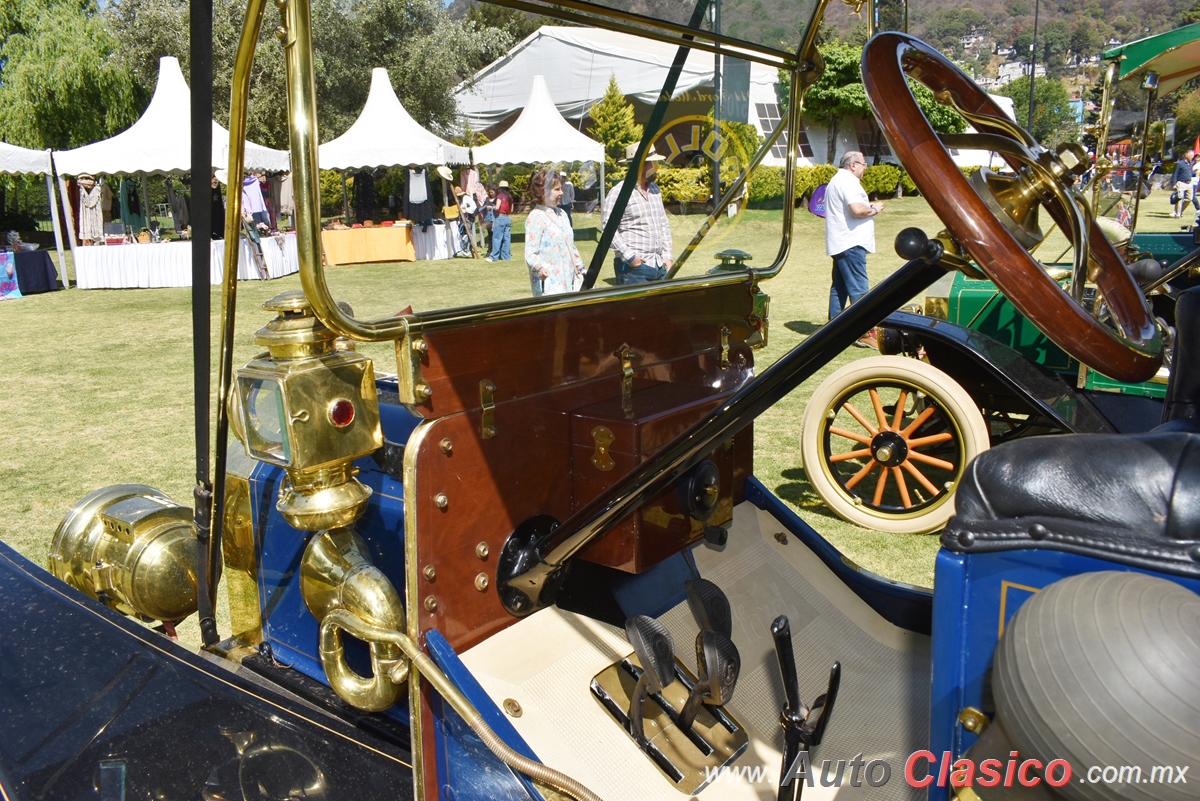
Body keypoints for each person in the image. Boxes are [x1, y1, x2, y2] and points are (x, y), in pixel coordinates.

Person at [825, 151, 883, 345]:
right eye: (864, 164)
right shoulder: (849, 182)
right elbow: (857, 210)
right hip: (851, 243)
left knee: (839, 288)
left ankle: (834, 330)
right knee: (860, 289)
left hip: (840, 242)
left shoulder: (835, 181)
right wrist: (874, 209)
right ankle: (865, 333)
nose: (865, 168)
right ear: (853, 165)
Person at [602, 143, 673, 284]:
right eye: (653, 163)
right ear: (641, 165)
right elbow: (608, 230)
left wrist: (668, 256)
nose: (657, 167)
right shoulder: (619, 192)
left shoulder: (655, 190)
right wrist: (631, 257)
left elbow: (663, 224)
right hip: (633, 271)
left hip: (659, 266)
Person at [525, 169, 584, 296]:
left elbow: (571, 245)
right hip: (550, 286)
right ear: (543, 191)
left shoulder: (562, 214)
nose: (561, 192)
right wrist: (540, 268)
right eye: (557, 189)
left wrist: (580, 267)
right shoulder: (536, 217)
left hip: (568, 282)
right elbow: (530, 253)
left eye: (561, 188)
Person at [487, 180, 513, 262]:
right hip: (507, 218)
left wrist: (492, 207)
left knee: (497, 237)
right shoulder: (510, 197)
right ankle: (506, 256)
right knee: (506, 238)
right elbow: (511, 209)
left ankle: (494, 256)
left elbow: (497, 207)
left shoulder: (500, 196)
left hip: (500, 217)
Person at [1173, 150, 1195, 218]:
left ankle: (1181, 211)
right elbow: (1175, 174)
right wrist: (1174, 184)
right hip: (1181, 183)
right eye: (1191, 155)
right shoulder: (1180, 163)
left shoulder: (1190, 163)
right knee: (1179, 198)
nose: (1192, 157)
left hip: (1189, 183)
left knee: (1189, 199)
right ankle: (1178, 213)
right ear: (1186, 155)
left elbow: (1191, 173)